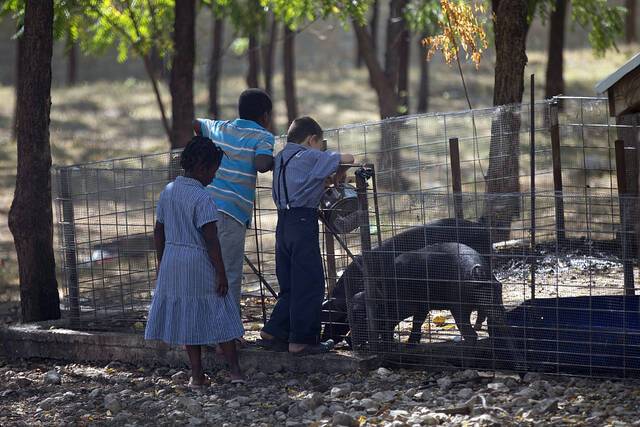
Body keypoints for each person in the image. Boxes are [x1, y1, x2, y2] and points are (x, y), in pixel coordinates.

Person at [145, 136, 244, 388]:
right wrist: (221, 273)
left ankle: (197, 376)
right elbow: (211, 240)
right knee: (220, 310)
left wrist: (162, 260)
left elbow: (159, 230)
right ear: (202, 168)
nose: (214, 176)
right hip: (197, 260)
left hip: (173, 260)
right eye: (213, 171)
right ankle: (235, 372)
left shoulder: (168, 191)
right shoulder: (203, 199)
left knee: (189, 316)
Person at [259, 117, 355, 355]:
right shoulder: (309, 155)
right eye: (319, 143)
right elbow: (348, 158)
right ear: (311, 139)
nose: (319, 148)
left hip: (282, 223)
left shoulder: (281, 157)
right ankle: (302, 340)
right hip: (303, 221)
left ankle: (274, 330)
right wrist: (331, 160)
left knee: (290, 283)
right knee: (310, 283)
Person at [193, 89, 274, 319]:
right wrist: (274, 161)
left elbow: (197, 124)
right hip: (232, 215)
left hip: (205, 208)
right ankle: (226, 333)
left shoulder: (221, 127)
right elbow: (261, 164)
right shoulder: (263, 137)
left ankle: (205, 328)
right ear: (265, 116)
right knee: (227, 273)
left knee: (207, 270)